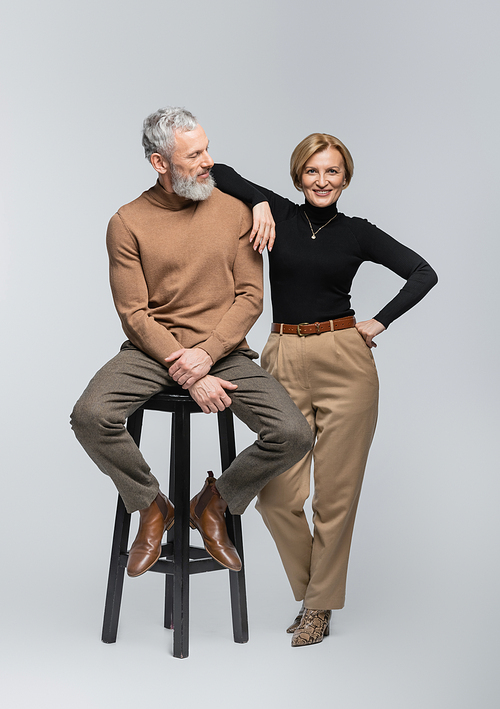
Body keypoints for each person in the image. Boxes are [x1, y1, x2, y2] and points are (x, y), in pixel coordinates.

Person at [211, 133, 437, 646]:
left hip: (344, 360)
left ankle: (317, 607)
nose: (322, 181)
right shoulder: (282, 218)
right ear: (298, 176)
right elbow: (219, 170)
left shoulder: (357, 232)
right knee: (277, 497)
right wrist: (260, 202)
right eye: (313, 171)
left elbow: (423, 273)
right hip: (284, 355)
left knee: (334, 499)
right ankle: (316, 591)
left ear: (346, 178)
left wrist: (379, 322)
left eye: (333, 172)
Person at [70, 107, 312, 581]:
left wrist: (206, 356)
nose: (209, 162)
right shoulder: (127, 222)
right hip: (151, 352)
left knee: (293, 433)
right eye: (194, 154)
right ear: (160, 163)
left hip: (223, 350)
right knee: (90, 416)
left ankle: (212, 502)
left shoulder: (237, 210)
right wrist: (186, 364)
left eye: (207, 148)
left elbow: (250, 298)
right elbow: (133, 314)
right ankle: (151, 505)